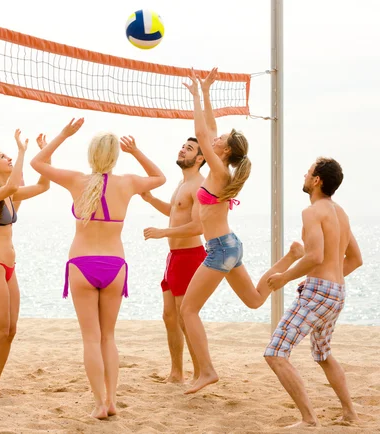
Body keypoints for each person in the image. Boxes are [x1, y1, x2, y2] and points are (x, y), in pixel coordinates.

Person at [30, 118, 166, 419]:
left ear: (91, 155)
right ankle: (112, 400)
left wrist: (63, 133)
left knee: (91, 339)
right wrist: (137, 151)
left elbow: (37, 162)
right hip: (115, 266)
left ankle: (99, 403)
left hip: (82, 264)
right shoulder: (128, 182)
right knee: (108, 337)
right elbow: (160, 178)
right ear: (116, 156)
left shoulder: (77, 180)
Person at [180, 68, 304, 394]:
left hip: (221, 248)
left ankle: (206, 371)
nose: (215, 138)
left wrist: (194, 97)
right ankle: (289, 258)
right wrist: (206, 92)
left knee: (187, 310)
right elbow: (209, 129)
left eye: (220, 141)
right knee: (253, 300)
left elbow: (202, 133)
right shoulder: (222, 167)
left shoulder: (219, 170)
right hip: (229, 245)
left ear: (224, 151)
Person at [264, 158, 362, 428]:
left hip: (318, 292)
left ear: (317, 180)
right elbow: (355, 259)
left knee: (275, 352)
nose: (305, 175)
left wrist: (285, 277)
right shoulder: (341, 213)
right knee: (322, 353)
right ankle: (350, 414)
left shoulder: (313, 212)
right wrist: (331, 281)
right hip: (336, 292)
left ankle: (309, 419)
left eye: (308, 172)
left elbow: (315, 256)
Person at [0, 129, 50, 397]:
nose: (9, 159)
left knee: (11, 331)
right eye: (4, 157)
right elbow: (12, 186)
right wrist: (22, 152)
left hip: (8, 269)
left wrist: (45, 152)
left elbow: (43, 186)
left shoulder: (8, 196)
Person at [141, 137, 206, 384]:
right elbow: (174, 212)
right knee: (169, 316)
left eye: (189, 149)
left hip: (190, 257)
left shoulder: (199, 185)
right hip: (174, 257)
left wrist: (163, 232)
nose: (182, 150)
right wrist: (149, 200)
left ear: (200, 159)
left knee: (185, 317)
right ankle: (177, 373)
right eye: (183, 146)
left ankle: (200, 372)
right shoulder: (182, 183)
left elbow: (198, 226)